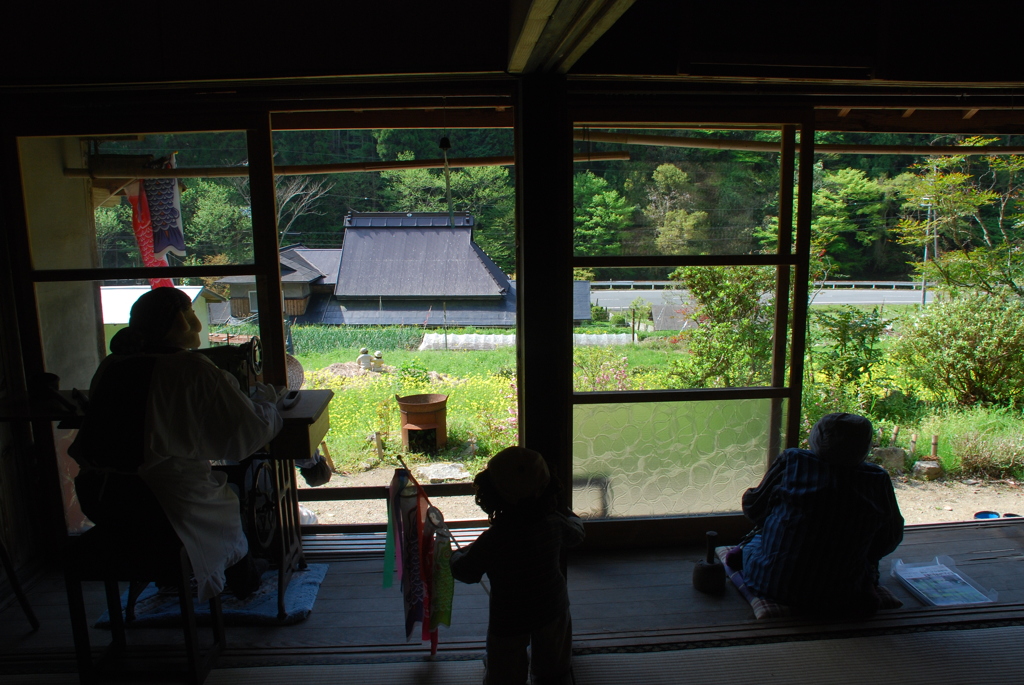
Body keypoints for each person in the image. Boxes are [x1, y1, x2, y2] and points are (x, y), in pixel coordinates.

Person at [71, 287, 283, 601]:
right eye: (191, 314)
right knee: (222, 506)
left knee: (205, 498)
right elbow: (245, 435)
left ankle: (181, 573)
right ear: (181, 321)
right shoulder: (191, 369)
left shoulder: (112, 366)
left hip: (105, 499)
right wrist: (271, 405)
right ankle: (242, 576)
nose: (197, 323)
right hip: (165, 505)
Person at [737, 412, 904, 617]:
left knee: (754, 543)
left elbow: (754, 508)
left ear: (816, 437)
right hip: (844, 591)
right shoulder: (877, 479)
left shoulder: (793, 461)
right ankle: (863, 583)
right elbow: (890, 536)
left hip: (774, 584)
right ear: (865, 445)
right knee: (862, 560)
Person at [450, 447, 585, 685]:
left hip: (509, 615)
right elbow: (576, 535)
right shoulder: (554, 523)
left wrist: (452, 556)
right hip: (552, 604)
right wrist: (570, 515)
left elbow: (467, 572)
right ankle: (549, 668)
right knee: (554, 668)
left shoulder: (494, 539)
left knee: (504, 675)